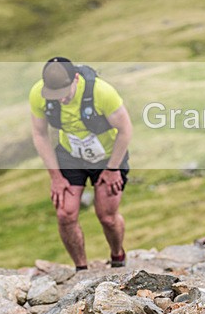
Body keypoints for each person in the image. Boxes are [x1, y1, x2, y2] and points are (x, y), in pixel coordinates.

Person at [29, 57, 133, 270]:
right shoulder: (38, 94)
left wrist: (113, 168)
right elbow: (40, 134)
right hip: (71, 155)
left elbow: (125, 130)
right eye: (55, 95)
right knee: (65, 213)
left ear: (76, 78)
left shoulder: (102, 92)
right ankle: (81, 270)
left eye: (64, 93)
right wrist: (55, 176)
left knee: (107, 216)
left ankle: (117, 256)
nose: (61, 100)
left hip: (108, 156)